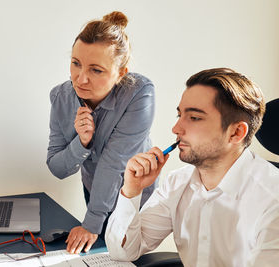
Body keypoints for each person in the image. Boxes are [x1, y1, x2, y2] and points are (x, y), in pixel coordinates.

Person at [106, 68, 279, 266]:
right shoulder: (178, 183)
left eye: (194, 118)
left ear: (236, 132)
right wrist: (131, 190)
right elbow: (123, 252)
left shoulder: (273, 203)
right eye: (179, 115)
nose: (176, 128)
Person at [47, 11, 156, 254]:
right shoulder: (60, 97)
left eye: (96, 70)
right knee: (100, 256)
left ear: (121, 73)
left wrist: (91, 223)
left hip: (136, 198)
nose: (81, 78)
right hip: (96, 191)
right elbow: (57, 167)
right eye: (76, 63)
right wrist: (81, 144)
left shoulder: (139, 93)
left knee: (129, 257)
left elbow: (114, 162)